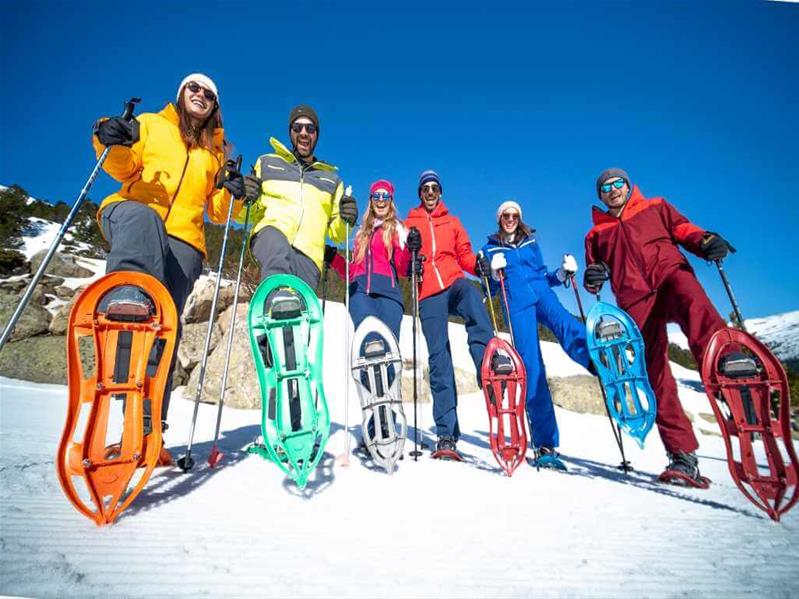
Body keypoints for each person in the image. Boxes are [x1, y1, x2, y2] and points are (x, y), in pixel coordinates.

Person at [92, 73, 245, 461]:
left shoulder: (216, 152)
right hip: (133, 214)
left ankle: (148, 434)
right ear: (181, 93)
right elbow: (122, 166)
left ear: (215, 105)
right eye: (194, 88)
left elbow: (217, 210)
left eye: (209, 93)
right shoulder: (152, 125)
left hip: (183, 245)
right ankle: (126, 295)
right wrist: (108, 135)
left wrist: (235, 194)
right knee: (135, 319)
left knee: (163, 333)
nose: (201, 95)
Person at [583, 167, 734, 487]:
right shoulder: (596, 234)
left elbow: (683, 229)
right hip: (635, 299)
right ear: (600, 195)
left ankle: (728, 363)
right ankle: (682, 455)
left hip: (669, 276)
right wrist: (593, 276)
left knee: (695, 305)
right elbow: (593, 270)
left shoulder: (656, 206)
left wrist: (704, 240)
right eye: (605, 187)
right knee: (654, 373)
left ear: (628, 186)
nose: (613, 189)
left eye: (618, 183)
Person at [481, 201, 592, 470]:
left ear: (519, 218)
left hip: (543, 295)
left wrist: (562, 273)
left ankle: (598, 360)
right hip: (516, 305)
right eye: (505, 215)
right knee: (531, 367)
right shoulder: (489, 248)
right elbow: (490, 288)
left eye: (514, 215)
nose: (510, 219)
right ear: (499, 219)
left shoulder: (530, 242)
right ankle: (544, 443)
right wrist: (494, 275)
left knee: (566, 323)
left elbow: (543, 276)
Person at [405, 170, 494, 458]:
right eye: (425, 189)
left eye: (434, 188)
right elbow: (403, 258)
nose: (430, 192)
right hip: (429, 292)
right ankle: (446, 432)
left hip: (453, 280)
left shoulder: (452, 221)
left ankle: (487, 365)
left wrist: (478, 265)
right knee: (439, 358)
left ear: (440, 192)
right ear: (420, 194)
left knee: (471, 294)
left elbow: (465, 254)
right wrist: (411, 252)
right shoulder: (410, 222)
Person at [241, 105, 358, 288]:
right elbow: (247, 213)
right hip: (270, 234)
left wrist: (347, 219)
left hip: (309, 253)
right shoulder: (267, 163)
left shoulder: (331, 181)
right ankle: (275, 295)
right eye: (297, 128)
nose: (304, 133)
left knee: (300, 296)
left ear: (316, 135)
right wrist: (246, 195)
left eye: (310, 128)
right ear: (290, 133)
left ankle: (290, 308)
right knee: (277, 248)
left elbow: (337, 233)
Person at [326, 179, 410, 342]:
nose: (380, 200)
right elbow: (352, 273)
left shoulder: (397, 228)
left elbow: (402, 268)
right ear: (371, 200)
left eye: (385, 196)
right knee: (369, 339)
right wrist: (334, 259)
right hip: (360, 292)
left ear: (390, 200)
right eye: (376, 196)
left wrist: (410, 249)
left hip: (389, 296)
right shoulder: (361, 233)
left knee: (389, 348)